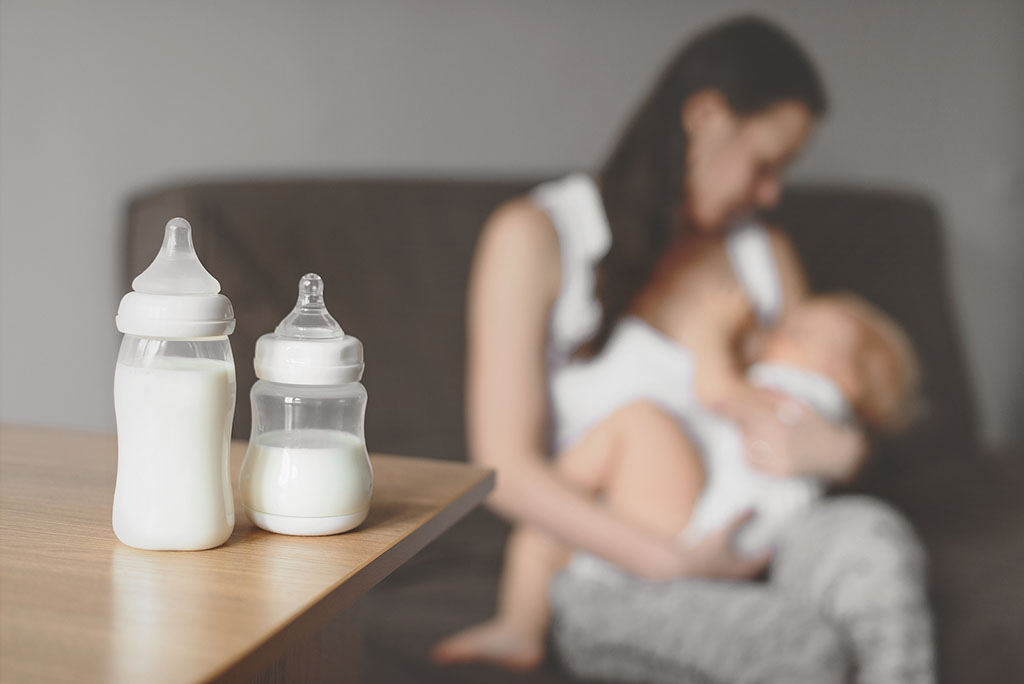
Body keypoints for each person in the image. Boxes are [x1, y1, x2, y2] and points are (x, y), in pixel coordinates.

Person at [435, 15, 934, 683]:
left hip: (768, 538)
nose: (771, 194)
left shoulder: (765, 254)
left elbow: (826, 394)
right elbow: (505, 466)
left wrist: (842, 452)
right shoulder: (537, 236)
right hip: (629, 558)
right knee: (796, 645)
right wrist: (669, 561)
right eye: (765, 165)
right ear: (705, 117)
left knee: (876, 540)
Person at [434, 292, 922, 671]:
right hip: (706, 533)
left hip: (701, 525)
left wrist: (706, 332)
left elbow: (714, 389)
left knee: (639, 424)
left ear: (848, 379)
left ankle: (535, 579)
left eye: (798, 333)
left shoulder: (798, 394)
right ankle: (526, 610)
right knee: (551, 530)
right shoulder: (799, 400)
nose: (777, 332)